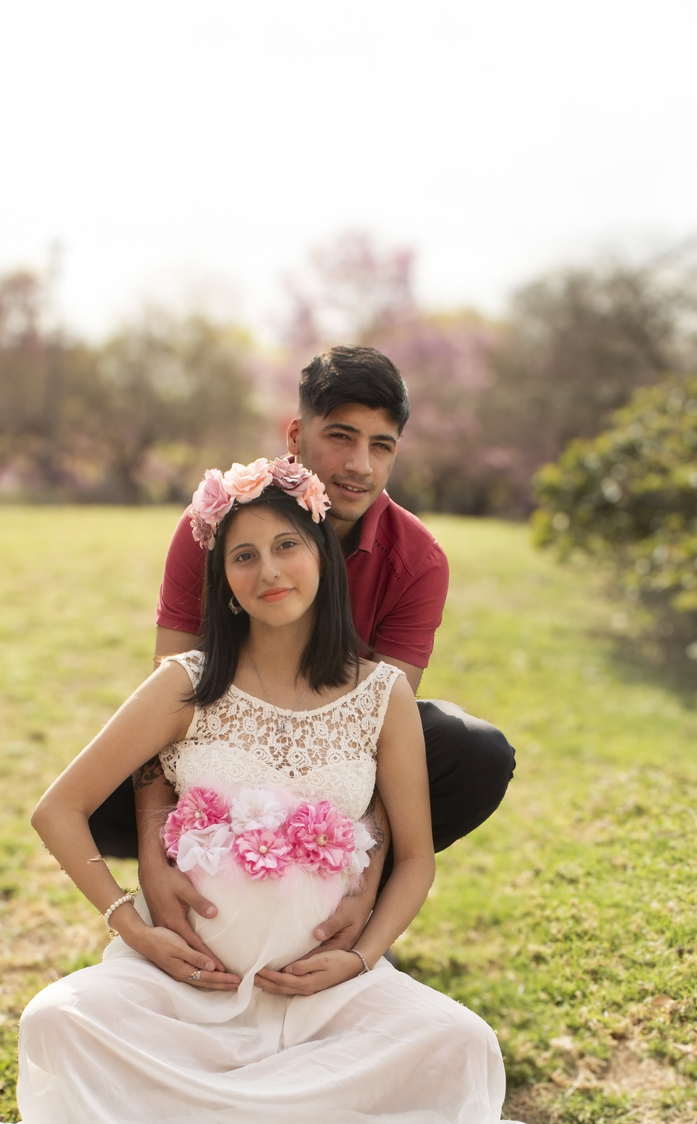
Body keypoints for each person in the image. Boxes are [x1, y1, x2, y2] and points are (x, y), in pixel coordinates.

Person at [0, 456, 624, 1124]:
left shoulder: (380, 697)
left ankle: (242, 1120)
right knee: (54, 1021)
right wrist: (134, 930)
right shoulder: (186, 684)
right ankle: (235, 1116)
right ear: (222, 581)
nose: (268, 571)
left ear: (323, 557)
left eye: (287, 546)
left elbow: (415, 855)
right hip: (188, 995)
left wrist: (359, 959)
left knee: (462, 1045)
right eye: (243, 556)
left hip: (326, 1001)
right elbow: (58, 809)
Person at [87, 344, 515, 977]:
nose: (358, 465)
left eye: (381, 446)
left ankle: (329, 904)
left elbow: (377, 734)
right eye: (340, 436)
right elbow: (170, 687)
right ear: (295, 433)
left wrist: (365, 890)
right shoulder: (214, 525)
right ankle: (205, 892)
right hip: (217, 750)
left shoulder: (417, 560)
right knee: (103, 774)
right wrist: (154, 859)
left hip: (331, 765)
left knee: (465, 747)